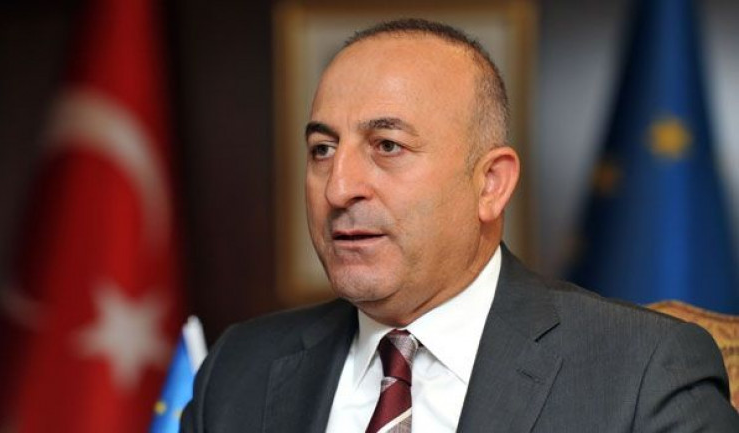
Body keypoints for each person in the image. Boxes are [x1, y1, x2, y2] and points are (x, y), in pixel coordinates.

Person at [181, 19, 738, 432]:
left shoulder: (641, 372)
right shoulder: (239, 368)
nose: (338, 187)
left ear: (490, 183)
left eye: (387, 146)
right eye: (322, 149)